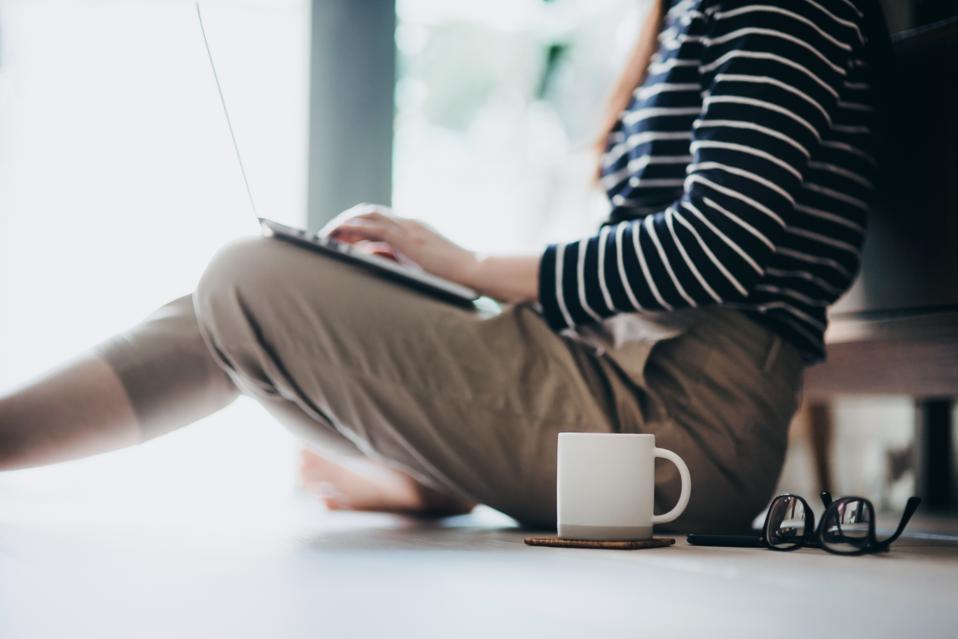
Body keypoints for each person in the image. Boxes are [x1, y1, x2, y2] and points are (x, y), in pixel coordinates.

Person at [0, 0, 886, 531]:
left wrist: (465, 264)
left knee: (249, 281)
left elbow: (713, 247)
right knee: (231, 299)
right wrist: (450, 279)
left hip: (682, 430)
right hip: (621, 374)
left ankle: (431, 473)